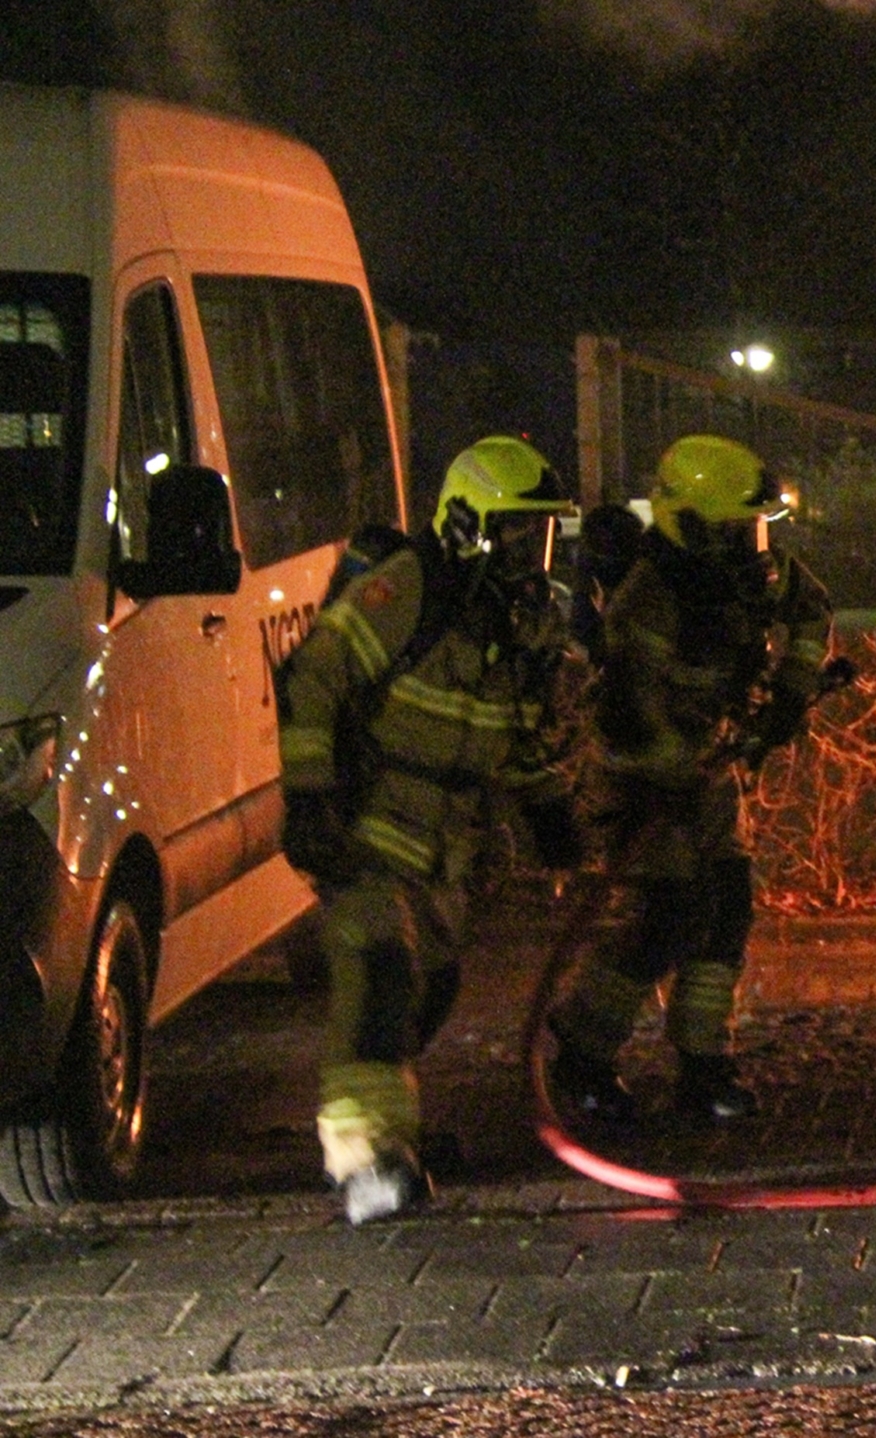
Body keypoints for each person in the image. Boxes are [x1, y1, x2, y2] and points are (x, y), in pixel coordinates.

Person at [278, 435, 582, 1223]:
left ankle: (391, 1129)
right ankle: (365, 1165)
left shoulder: (522, 626)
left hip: (446, 847)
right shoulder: (407, 589)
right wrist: (310, 797)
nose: (529, 551)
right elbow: (315, 676)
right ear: (467, 523)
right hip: (368, 828)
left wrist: (548, 808)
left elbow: (515, 732)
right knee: (378, 971)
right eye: (516, 530)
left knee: (431, 988)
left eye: (540, 532)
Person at [548, 435, 833, 1124]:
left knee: (726, 909)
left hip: (701, 773)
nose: (750, 544)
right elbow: (628, 714)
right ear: (691, 524)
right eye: (735, 529)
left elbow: (812, 610)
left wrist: (791, 693)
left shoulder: (753, 574)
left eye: (755, 529)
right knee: (665, 919)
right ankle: (582, 1054)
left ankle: (704, 1066)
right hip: (640, 781)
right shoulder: (648, 599)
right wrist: (676, 769)